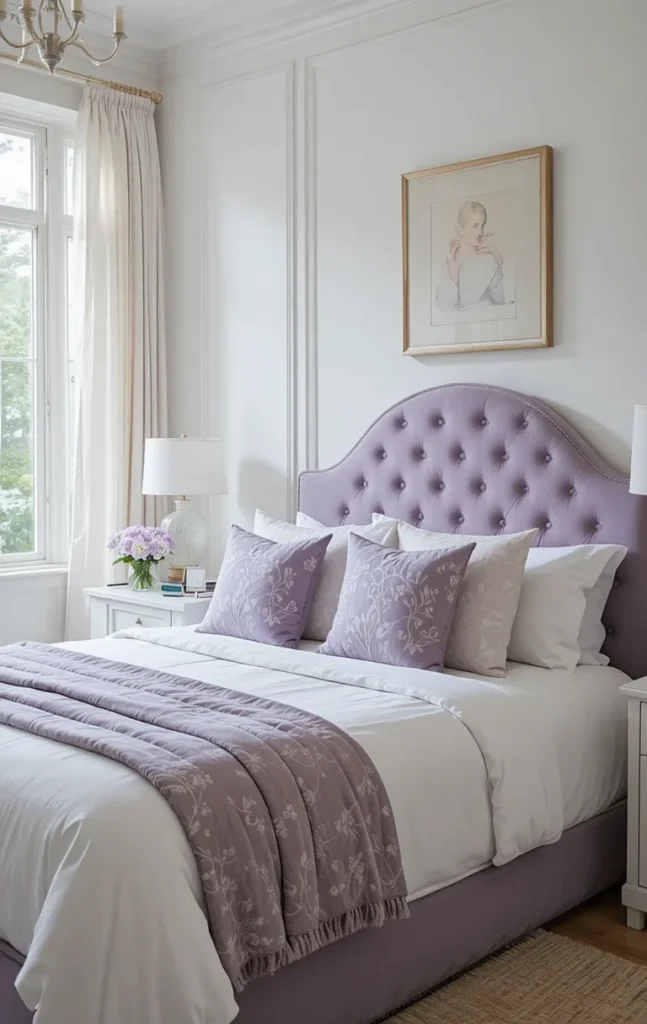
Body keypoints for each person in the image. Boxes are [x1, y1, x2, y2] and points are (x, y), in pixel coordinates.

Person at [435, 200, 505, 313]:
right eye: (475, 226)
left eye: (482, 225)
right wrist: (453, 276)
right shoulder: (449, 262)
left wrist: (498, 260)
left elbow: (501, 302)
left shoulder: (489, 261)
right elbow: (445, 308)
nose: (480, 232)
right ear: (460, 229)